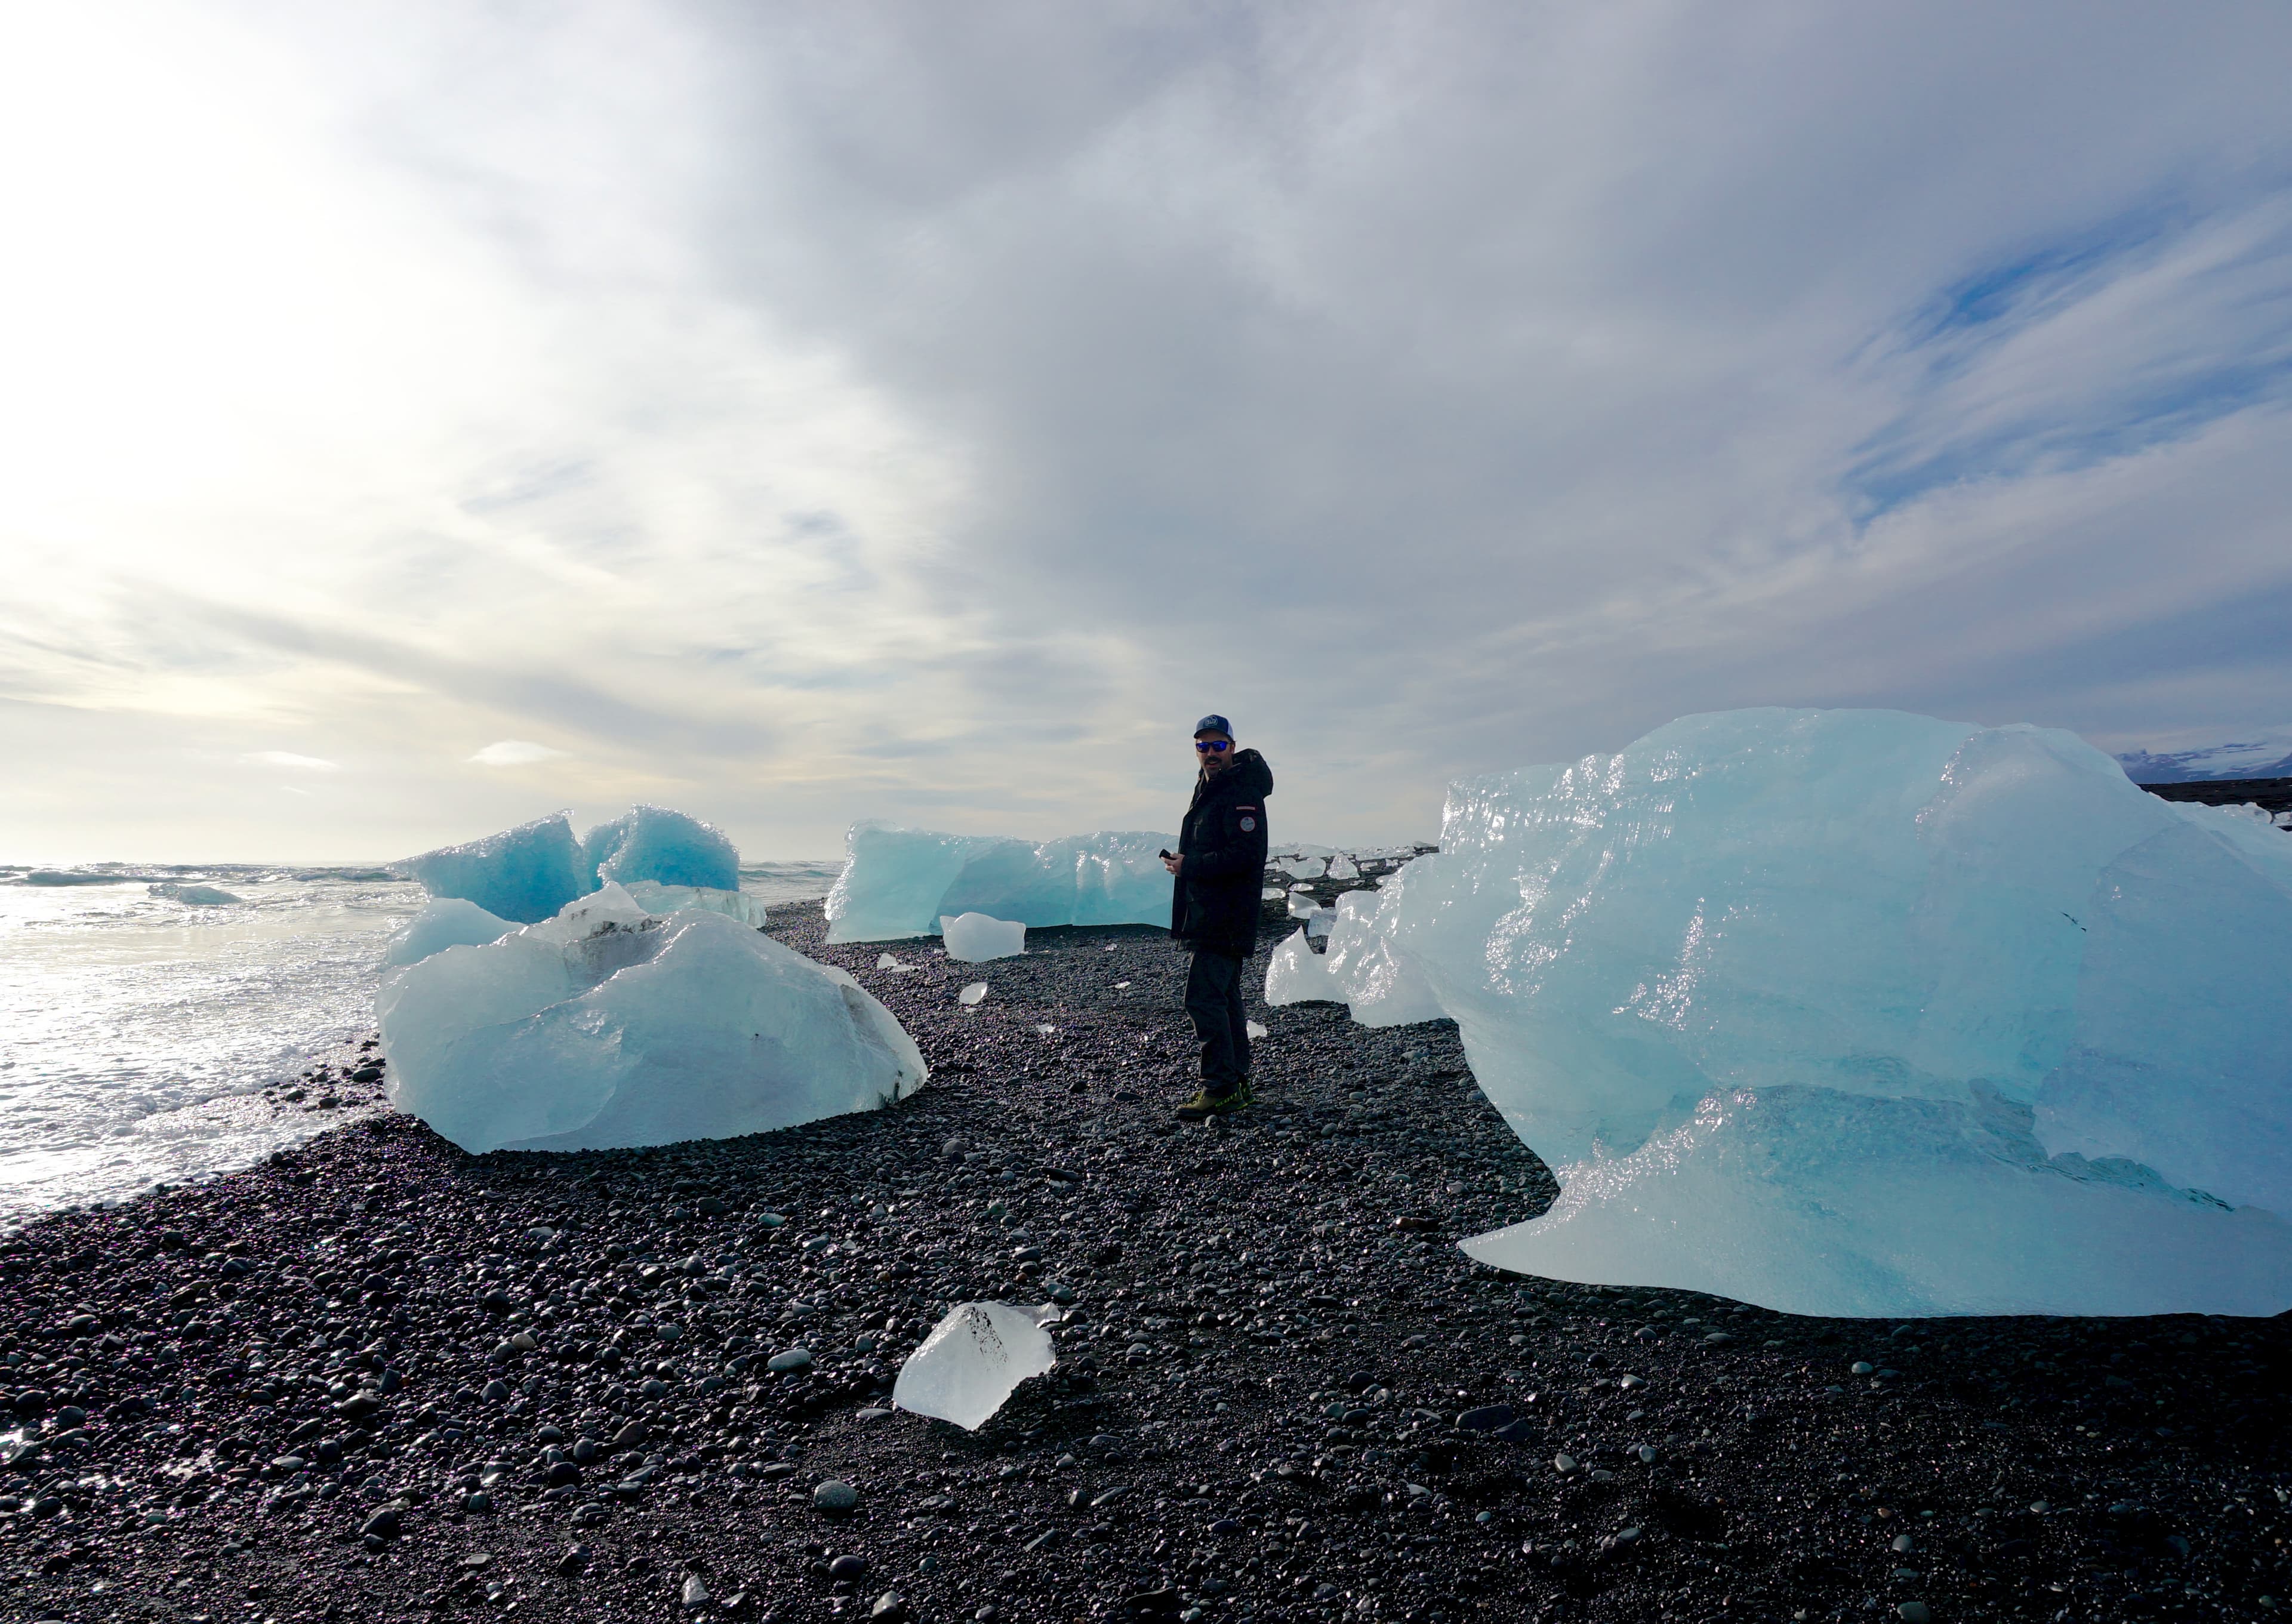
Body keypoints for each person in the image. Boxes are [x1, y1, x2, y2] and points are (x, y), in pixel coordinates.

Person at [1163, 714, 1274, 1119]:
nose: (1210, 753)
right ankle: (1236, 1082)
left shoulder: (1241, 792)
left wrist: (1190, 865)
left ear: (1232, 746)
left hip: (1226, 915)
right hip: (1211, 911)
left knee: (1203, 997)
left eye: (1218, 745)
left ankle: (1219, 1086)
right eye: (1203, 746)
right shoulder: (1209, 787)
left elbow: (1245, 855)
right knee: (1226, 999)